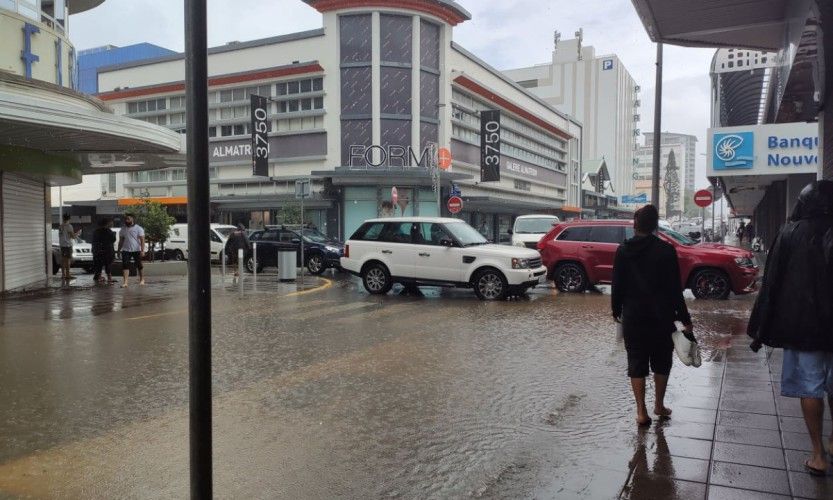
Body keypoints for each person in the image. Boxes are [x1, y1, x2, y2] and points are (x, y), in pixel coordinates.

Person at [748, 180, 833, 476]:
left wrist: (760, 329)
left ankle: (817, 454)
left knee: (811, 388)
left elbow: (771, 285)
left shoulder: (790, 233)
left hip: (804, 327)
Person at [612, 205, 694, 427]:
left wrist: (616, 311)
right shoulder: (666, 251)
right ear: (656, 225)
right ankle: (659, 404)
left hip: (634, 317)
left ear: (635, 225)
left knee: (636, 362)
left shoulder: (623, 250)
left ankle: (641, 411)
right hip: (661, 317)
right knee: (661, 362)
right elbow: (675, 290)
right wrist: (685, 319)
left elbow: (617, 286)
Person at [118, 213, 146, 288]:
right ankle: (125, 282)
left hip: (136, 250)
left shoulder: (139, 228)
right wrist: (118, 250)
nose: (126, 220)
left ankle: (142, 279)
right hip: (126, 250)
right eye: (126, 219)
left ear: (132, 219)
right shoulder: (123, 229)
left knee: (139, 265)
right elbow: (121, 241)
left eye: (128, 219)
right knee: (125, 265)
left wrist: (142, 250)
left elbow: (142, 240)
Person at [92, 218, 116, 284]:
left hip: (98, 251)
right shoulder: (109, 231)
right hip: (108, 250)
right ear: (107, 223)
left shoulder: (96, 231)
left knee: (98, 264)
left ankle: (99, 277)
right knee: (108, 264)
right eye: (111, 223)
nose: (112, 224)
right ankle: (109, 278)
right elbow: (113, 240)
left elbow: (94, 241)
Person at [58, 213, 80, 281]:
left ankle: (63, 275)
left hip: (62, 245)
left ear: (63, 218)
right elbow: (72, 236)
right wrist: (77, 233)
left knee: (63, 260)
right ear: (69, 218)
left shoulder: (60, 226)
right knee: (68, 260)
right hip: (68, 245)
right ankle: (67, 275)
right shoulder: (69, 226)